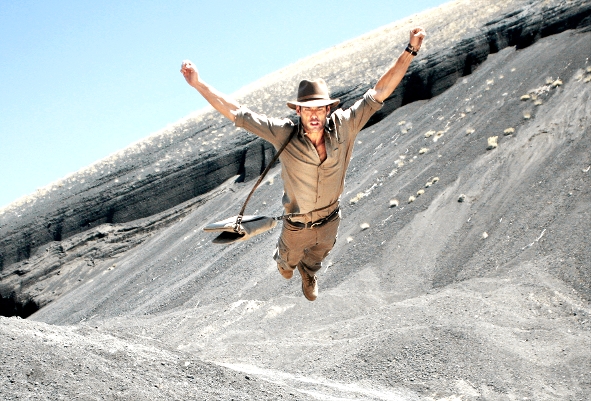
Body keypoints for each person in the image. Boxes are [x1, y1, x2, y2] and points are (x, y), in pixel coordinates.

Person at [181, 27, 426, 301]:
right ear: (298, 110)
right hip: (296, 225)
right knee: (287, 267)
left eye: (319, 108)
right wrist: (198, 84)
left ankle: (308, 273)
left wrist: (411, 50)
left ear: (328, 109)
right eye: (307, 109)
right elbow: (237, 112)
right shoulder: (283, 132)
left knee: (318, 256)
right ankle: (285, 261)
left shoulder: (345, 125)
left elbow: (380, 90)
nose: (314, 115)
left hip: (331, 219)